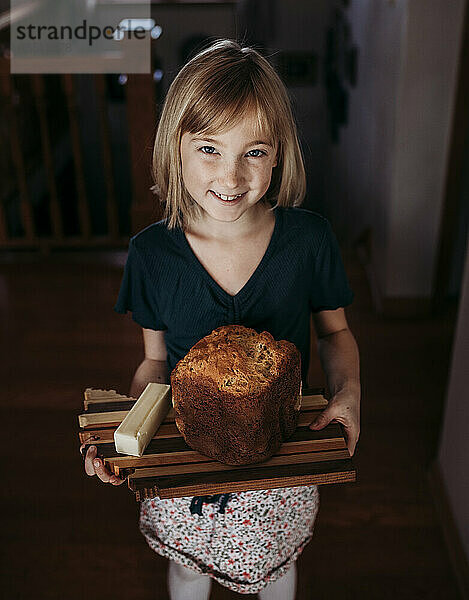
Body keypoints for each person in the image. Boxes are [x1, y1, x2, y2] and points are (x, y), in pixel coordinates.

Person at [81, 39, 360, 599]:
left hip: (282, 453)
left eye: (254, 152)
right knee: (188, 569)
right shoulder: (152, 255)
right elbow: (156, 361)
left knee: (275, 571)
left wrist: (349, 391)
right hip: (186, 455)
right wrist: (123, 438)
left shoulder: (309, 242)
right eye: (209, 147)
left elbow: (335, 332)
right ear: (175, 149)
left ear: (279, 153)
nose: (231, 176)